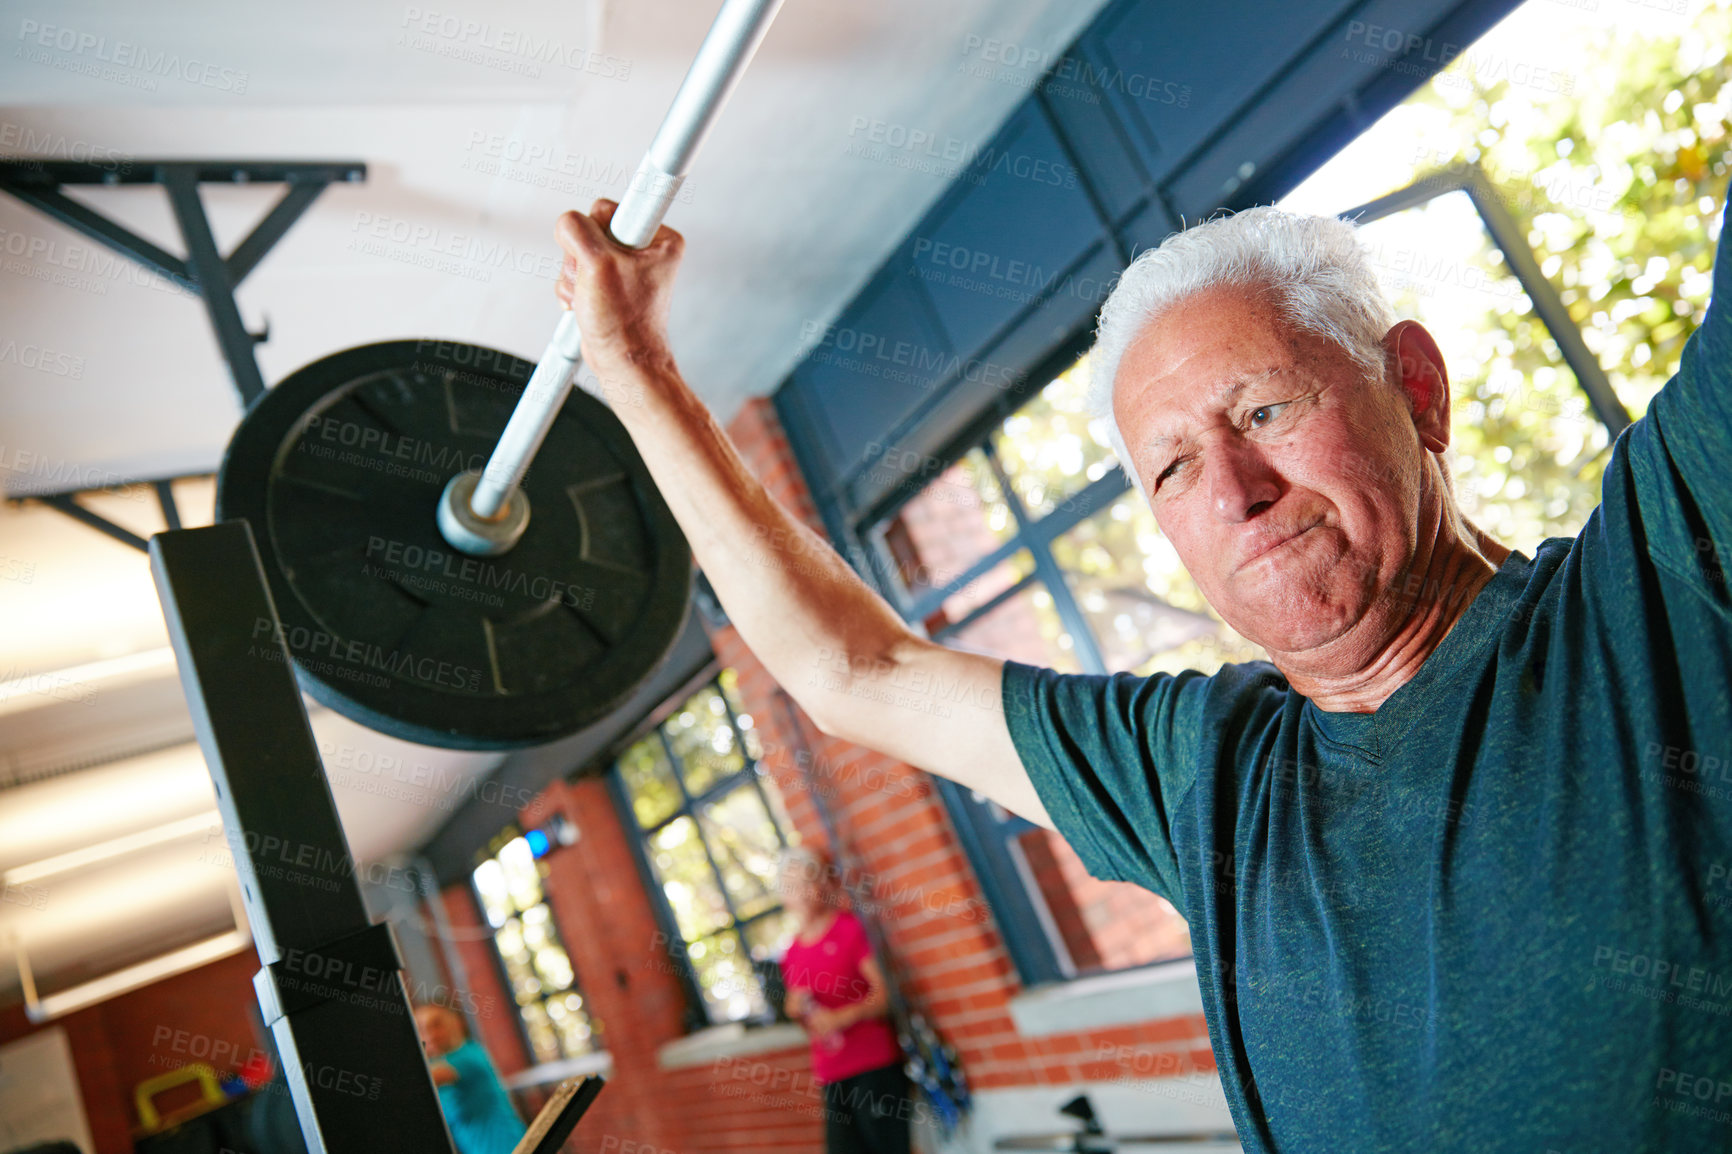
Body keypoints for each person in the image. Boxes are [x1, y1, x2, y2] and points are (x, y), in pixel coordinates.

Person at [552, 185, 1732, 1152]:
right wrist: (633, 364)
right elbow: (850, 664)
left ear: (1415, 391)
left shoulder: (1664, 581)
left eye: (1264, 408)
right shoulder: (1202, 775)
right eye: (1170, 470)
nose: (1232, 492)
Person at [776, 846, 911, 1154]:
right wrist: (795, 1010)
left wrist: (844, 1016)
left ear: (821, 885)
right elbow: (807, 1021)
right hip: (832, 1073)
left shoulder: (848, 929)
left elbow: (885, 995)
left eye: (806, 882)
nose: (801, 892)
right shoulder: (791, 954)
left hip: (873, 1065)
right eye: (792, 885)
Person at [413, 1003, 527, 1154]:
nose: (430, 1034)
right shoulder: (438, 1063)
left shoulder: (469, 1056)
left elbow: (419, 1081)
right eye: (421, 1029)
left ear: (457, 1022)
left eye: (437, 1024)